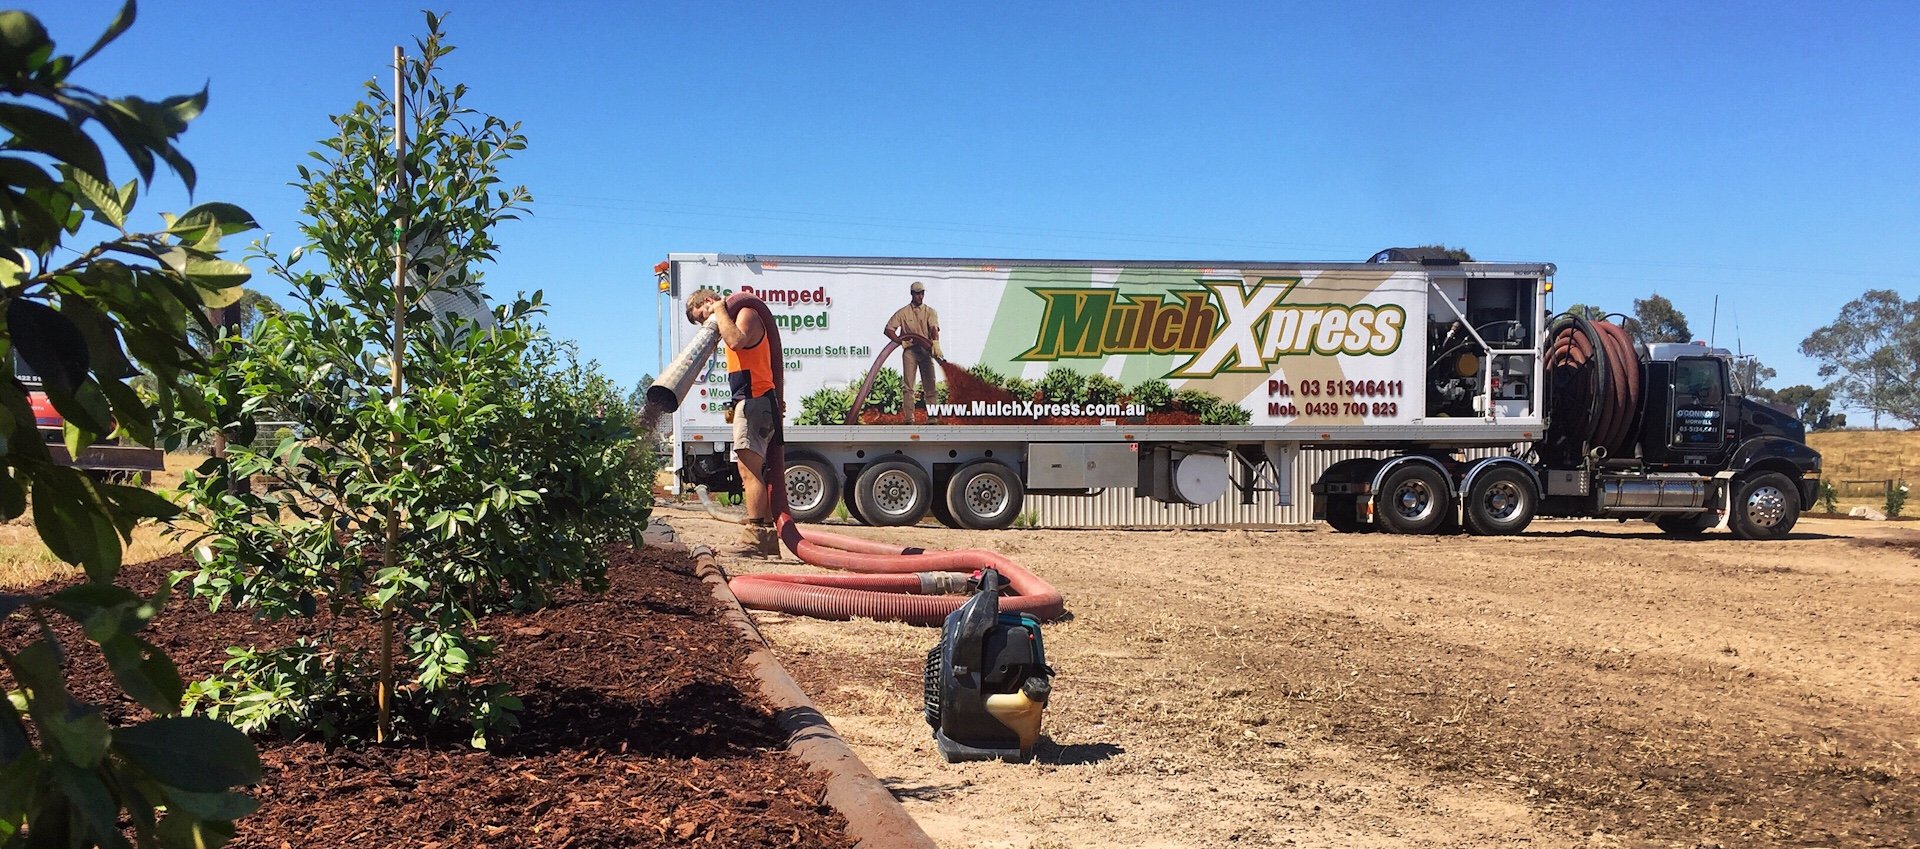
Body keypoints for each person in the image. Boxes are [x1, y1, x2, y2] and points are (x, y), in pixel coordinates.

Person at [685, 289, 780, 557]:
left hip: (754, 400)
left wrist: (718, 311)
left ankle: (754, 538)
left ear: (707, 302)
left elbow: (737, 341)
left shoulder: (746, 314)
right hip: (753, 400)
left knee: (749, 471)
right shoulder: (738, 317)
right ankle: (769, 539)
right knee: (755, 471)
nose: (707, 324)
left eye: (702, 315)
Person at [883, 281, 943, 423]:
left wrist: (935, 342)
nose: (920, 296)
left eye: (922, 293)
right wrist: (901, 341)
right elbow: (888, 329)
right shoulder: (903, 313)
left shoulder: (930, 311)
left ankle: (932, 417)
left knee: (930, 385)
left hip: (926, 350)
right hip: (910, 352)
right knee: (908, 387)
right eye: (917, 293)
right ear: (912, 294)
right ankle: (909, 419)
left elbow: (934, 327)